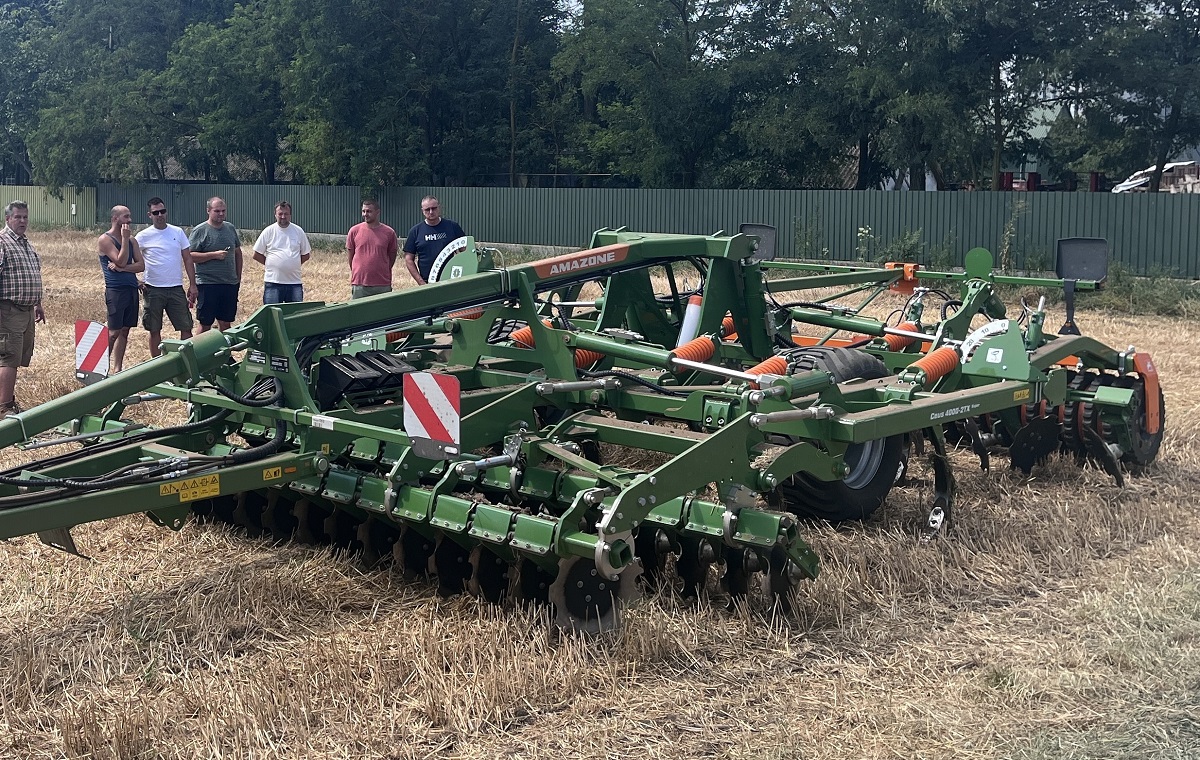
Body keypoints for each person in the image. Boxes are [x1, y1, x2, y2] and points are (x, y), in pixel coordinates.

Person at [135, 197, 197, 358]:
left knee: (186, 327)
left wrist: (193, 284)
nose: (160, 215)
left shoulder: (177, 232)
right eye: (156, 212)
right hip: (153, 289)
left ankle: (186, 362)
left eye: (163, 211)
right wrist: (135, 280)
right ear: (150, 215)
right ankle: (157, 365)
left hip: (175, 288)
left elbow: (188, 259)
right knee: (154, 329)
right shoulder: (143, 236)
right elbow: (129, 258)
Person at [0, 201, 45, 418]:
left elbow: (32, 275)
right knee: (8, 357)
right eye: (18, 217)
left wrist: (38, 304)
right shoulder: (2, 242)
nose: (23, 221)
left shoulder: (26, 243)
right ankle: (4, 407)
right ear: (7, 219)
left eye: (25, 217)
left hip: (26, 310)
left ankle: (8, 402)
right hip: (8, 309)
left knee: (17, 358)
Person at [97, 205, 145, 373]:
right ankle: (100, 368)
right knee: (113, 332)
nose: (129, 220)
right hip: (116, 291)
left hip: (131, 289)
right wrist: (124, 240)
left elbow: (141, 265)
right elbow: (121, 259)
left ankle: (118, 369)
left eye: (129, 216)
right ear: (115, 218)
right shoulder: (105, 240)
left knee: (125, 330)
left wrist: (123, 269)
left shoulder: (133, 241)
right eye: (126, 217)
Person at [188, 196, 242, 332]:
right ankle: (200, 352)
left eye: (223, 211)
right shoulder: (200, 231)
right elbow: (190, 256)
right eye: (217, 211)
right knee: (205, 323)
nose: (221, 214)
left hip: (229, 283)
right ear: (208, 211)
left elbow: (237, 252)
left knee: (225, 323)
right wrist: (213, 255)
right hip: (208, 284)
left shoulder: (230, 228)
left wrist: (238, 277)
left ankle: (224, 352)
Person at [253, 201, 311, 304]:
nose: (283, 216)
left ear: (290, 215)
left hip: (294, 283)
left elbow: (306, 255)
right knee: (271, 316)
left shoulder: (298, 231)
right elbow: (256, 254)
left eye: (286, 214)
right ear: (275, 215)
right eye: (280, 214)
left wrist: (293, 264)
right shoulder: (269, 231)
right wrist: (271, 264)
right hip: (273, 282)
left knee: (295, 317)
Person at [403, 195, 466, 285]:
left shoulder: (452, 226)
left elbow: (465, 252)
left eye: (434, 208)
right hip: (428, 282)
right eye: (427, 209)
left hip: (451, 280)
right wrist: (421, 283)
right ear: (422, 211)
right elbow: (408, 259)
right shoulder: (415, 231)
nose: (431, 212)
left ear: (439, 208)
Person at [346, 198, 398, 298]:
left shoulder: (389, 233)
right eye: (363, 211)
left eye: (369, 211)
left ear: (378, 212)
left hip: (382, 284)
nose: (365, 214)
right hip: (360, 284)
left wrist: (383, 269)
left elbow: (392, 256)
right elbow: (350, 257)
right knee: (358, 313)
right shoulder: (354, 231)